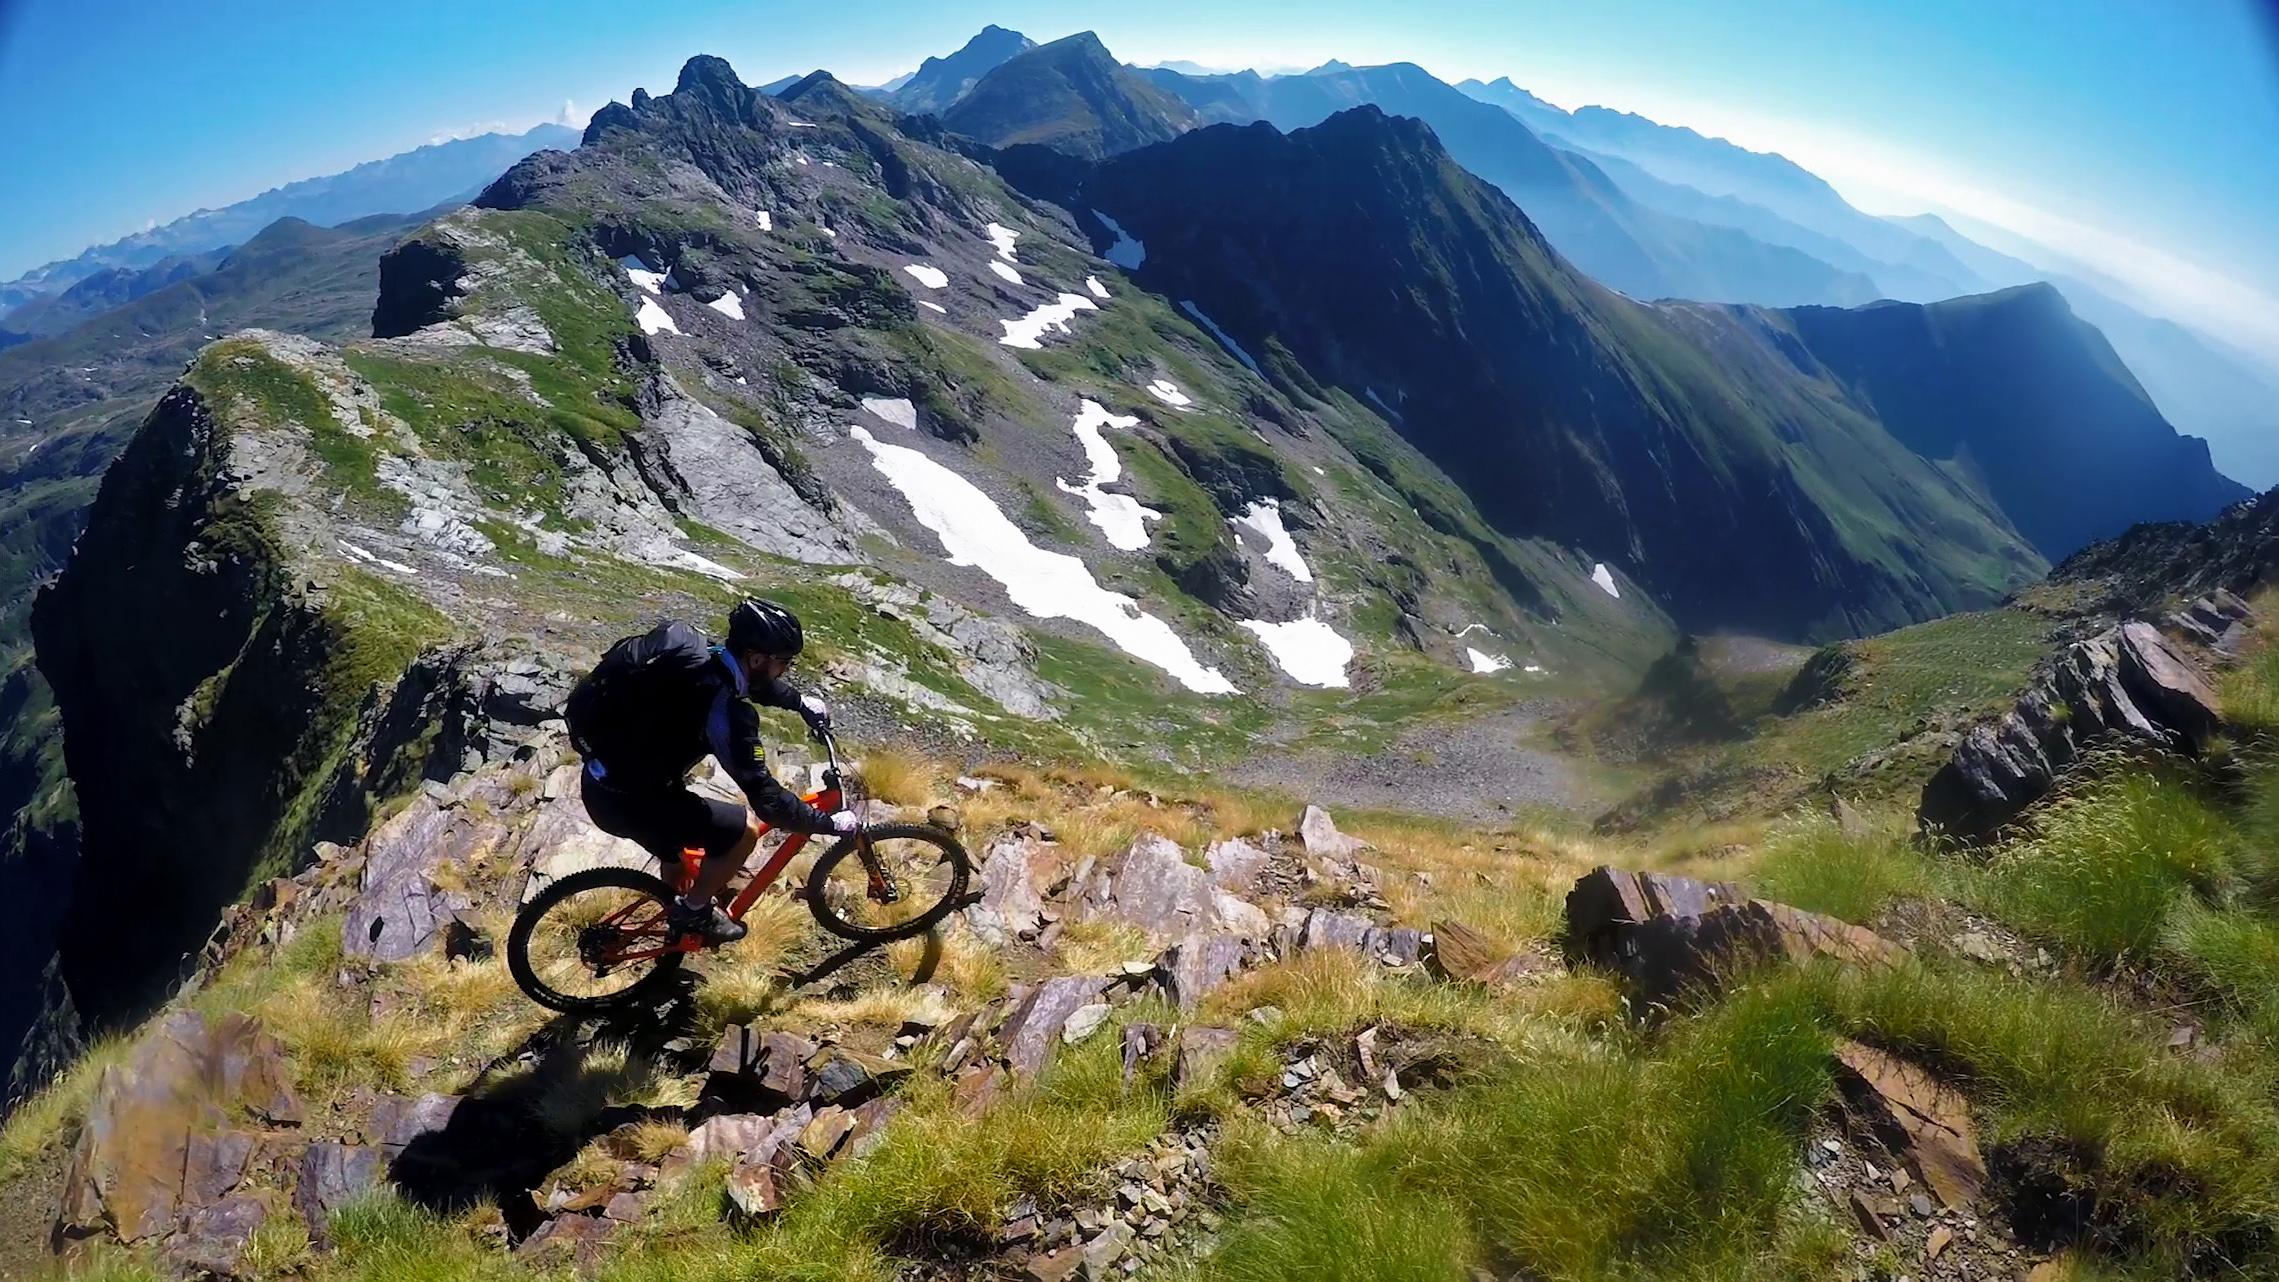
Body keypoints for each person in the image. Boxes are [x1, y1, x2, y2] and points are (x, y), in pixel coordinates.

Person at [564, 598, 857, 945]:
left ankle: (668, 924)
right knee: (744, 831)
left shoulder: (695, 654)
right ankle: (694, 913)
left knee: (677, 860)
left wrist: (797, 701)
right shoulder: (728, 715)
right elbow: (767, 802)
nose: (785, 670)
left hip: (601, 781)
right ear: (758, 658)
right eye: (784, 663)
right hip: (632, 805)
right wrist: (825, 823)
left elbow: (747, 681)